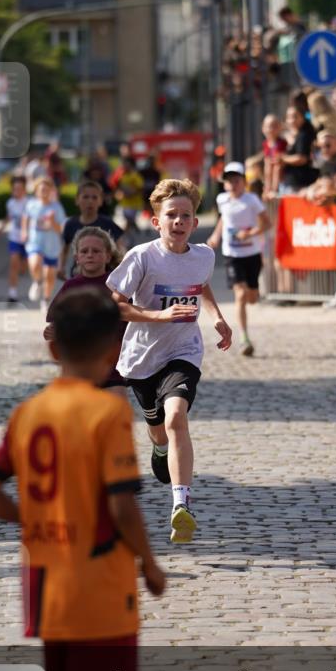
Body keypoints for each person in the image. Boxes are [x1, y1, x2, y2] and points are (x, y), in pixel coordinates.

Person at [0, 287, 166, 671]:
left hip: (46, 585)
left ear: (54, 349)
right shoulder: (106, 414)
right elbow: (123, 507)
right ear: (114, 351)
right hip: (97, 588)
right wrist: (149, 562)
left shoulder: (28, 412)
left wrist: (35, 518)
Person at [106, 178, 232, 544]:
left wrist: (217, 318)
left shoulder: (204, 256)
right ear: (156, 221)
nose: (178, 221)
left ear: (195, 222)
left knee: (177, 416)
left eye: (186, 216)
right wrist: (158, 316)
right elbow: (114, 303)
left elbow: (202, 284)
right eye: (171, 215)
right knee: (158, 426)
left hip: (184, 351)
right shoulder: (142, 257)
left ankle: (181, 505)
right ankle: (159, 446)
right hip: (142, 358)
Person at [45, 227, 126, 399]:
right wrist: (52, 331)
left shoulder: (119, 284)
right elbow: (55, 322)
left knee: (114, 412)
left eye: (96, 251)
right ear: (77, 258)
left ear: (108, 256)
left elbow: (134, 316)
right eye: (84, 251)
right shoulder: (70, 287)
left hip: (113, 366)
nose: (90, 255)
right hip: (78, 368)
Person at [207, 162, 270, 358]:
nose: (233, 184)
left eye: (236, 180)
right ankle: (244, 338)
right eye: (229, 181)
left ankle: (254, 292)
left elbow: (267, 223)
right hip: (232, 255)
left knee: (251, 297)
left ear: (244, 181)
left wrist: (250, 233)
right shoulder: (222, 199)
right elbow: (224, 219)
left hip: (251, 253)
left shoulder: (251, 200)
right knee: (240, 294)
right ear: (224, 184)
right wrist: (216, 235)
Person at [59, 180, 124, 279]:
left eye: (94, 197)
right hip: (78, 272)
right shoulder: (70, 224)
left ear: (101, 201)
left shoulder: (108, 223)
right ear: (77, 200)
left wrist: (122, 268)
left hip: (104, 274)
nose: (90, 201)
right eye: (85, 197)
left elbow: (120, 248)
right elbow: (64, 249)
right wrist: (61, 267)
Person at [22, 177, 67, 310]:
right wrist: (24, 231)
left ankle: (46, 299)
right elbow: (26, 217)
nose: (44, 193)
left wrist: (52, 221)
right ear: (36, 191)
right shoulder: (31, 204)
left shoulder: (56, 207)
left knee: (49, 274)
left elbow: (61, 229)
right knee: (35, 263)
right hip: (35, 242)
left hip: (51, 246)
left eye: (47, 190)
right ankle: (37, 282)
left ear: (51, 191)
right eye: (41, 190)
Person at [0, 175, 28, 303]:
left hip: (28, 239)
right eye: (14, 189)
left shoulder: (29, 203)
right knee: (13, 263)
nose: (17, 191)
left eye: (19, 189)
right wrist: (1, 227)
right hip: (14, 237)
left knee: (24, 268)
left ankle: (24, 266)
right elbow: (9, 217)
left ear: (24, 190)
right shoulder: (10, 203)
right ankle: (12, 293)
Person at [279, 106, 316, 193]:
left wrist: (283, 159)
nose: (292, 120)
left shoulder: (304, 135)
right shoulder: (295, 135)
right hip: (291, 182)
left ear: (302, 117)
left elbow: (302, 158)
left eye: (295, 116)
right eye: (289, 117)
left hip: (300, 183)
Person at [115, 157, 145, 236]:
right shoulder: (122, 176)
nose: (125, 166)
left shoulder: (135, 175)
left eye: (126, 164)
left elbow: (140, 187)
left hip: (134, 203)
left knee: (129, 219)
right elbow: (119, 187)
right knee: (130, 219)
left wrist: (131, 192)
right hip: (125, 202)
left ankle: (123, 234)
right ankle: (137, 232)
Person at [261, 113, 288, 198]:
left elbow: (279, 164)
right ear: (263, 128)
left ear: (280, 128)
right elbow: (267, 167)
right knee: (267, 166)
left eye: (274, 126)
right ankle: (267, 189)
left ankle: (274, 190)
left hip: (281, 178)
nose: (271, 130)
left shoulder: (282, 143)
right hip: (270, 175)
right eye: (268, 126)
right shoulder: (266, 144)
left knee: (277, 166)